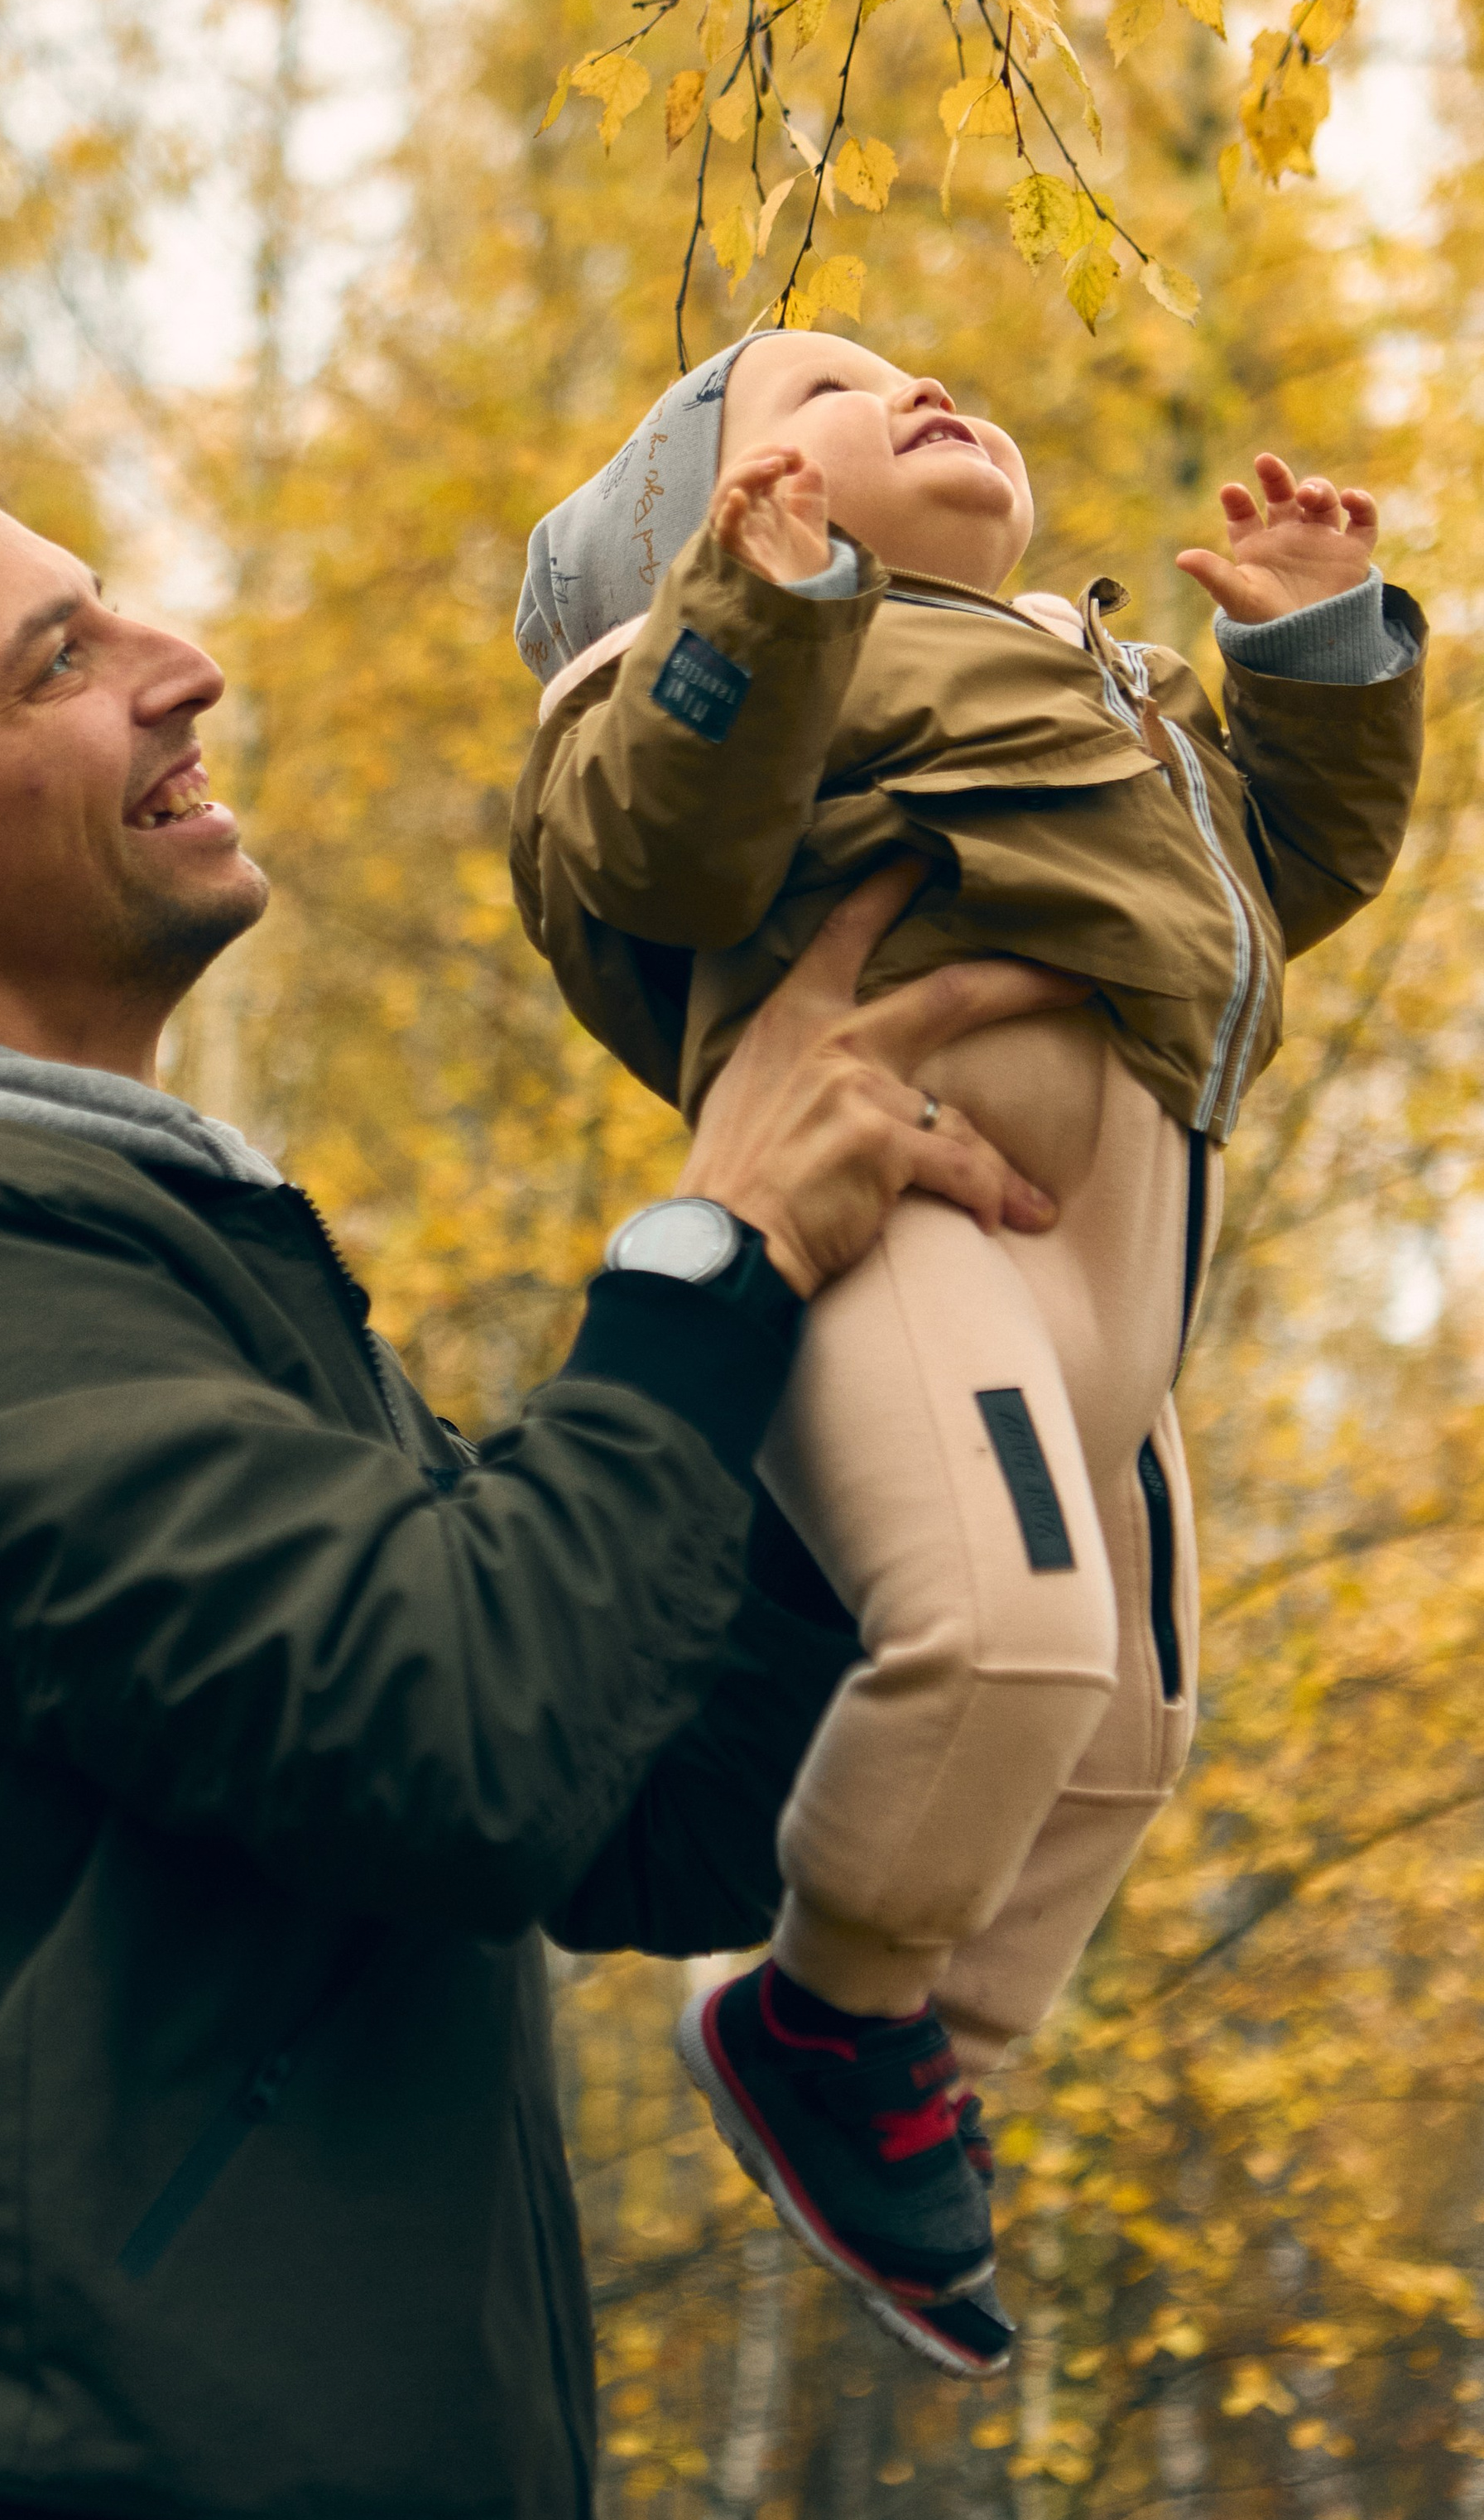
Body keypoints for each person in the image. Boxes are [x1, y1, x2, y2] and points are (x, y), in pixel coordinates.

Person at [0, 457, 1075, 2520]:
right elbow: (466, 1739)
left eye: (112, 614)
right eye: (61, 664)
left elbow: (635, 1809)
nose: (180, 668)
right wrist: (717, 1252)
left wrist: (890, 1365)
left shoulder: (129, 1243)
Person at [510, 330, 1427, 2377]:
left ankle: (920, 2056)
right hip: (920, 1226)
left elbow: (1268, 888)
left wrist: (1314, 667)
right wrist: (768, 606)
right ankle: (814, 2009)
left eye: (918, 369)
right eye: (817, 395)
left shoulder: (1085, 683)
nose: (914, 390)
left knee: (1122, 1727)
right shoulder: (702, 679)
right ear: (702, 530)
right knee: (1003, 1639)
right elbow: (661, 849)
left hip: (1117, 1275)